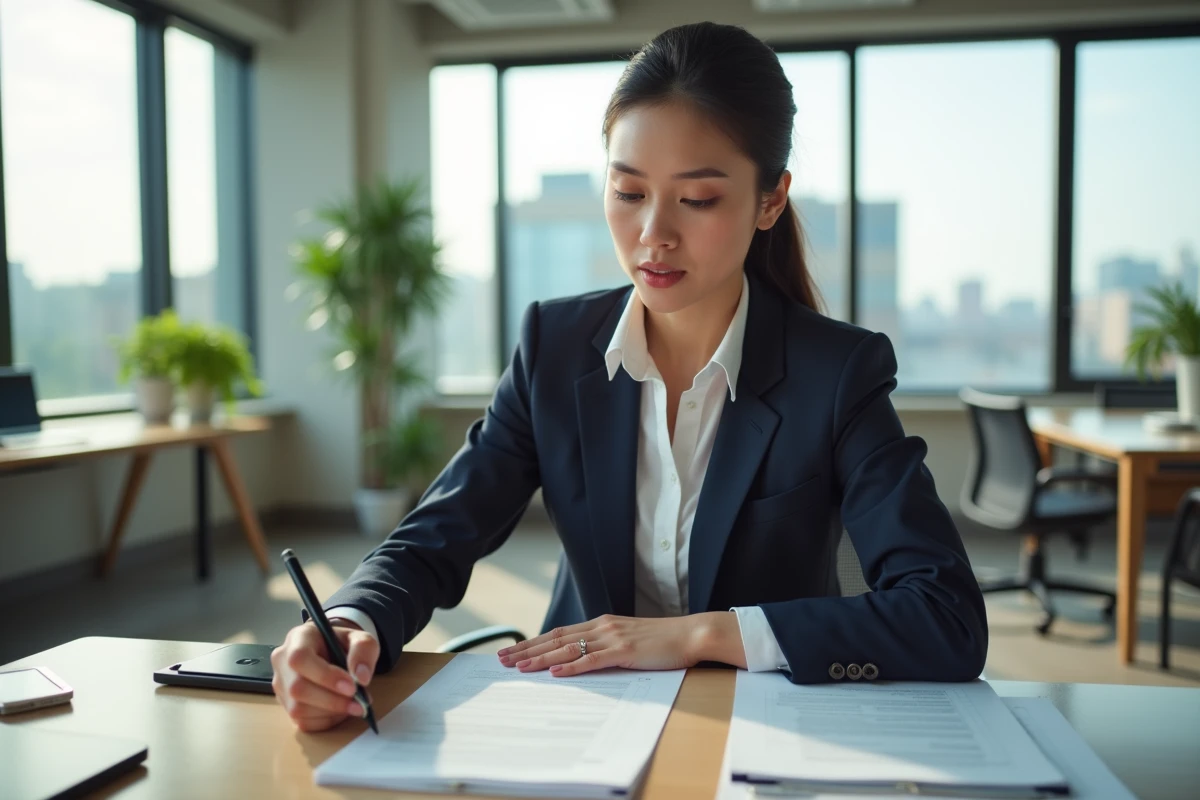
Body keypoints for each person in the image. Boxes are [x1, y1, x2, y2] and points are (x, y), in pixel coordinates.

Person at [271, 21, 987, 732]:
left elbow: (946, 615)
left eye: (698, 199)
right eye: (628, 190)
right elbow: (439, 533)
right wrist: (347, 618)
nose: (654, 234)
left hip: (761, 727)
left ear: (770, 200)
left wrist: (700, 634)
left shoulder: (838, 372)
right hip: (581, 716)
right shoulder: (552, 345)